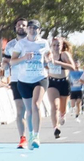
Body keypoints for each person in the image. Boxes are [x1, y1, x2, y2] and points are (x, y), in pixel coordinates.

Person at [3, 18, 49, 150]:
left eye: (35, 28)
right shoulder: (16, 44)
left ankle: (36, 135)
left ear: (39, 30)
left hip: (39, 77)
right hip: (20, 79)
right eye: (30, 27)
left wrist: (49, 58)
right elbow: (10, 61)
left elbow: (48, 53)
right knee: (24, 110)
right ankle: (25, 136)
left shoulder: (43, 43)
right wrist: (22, 59)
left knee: (36, 105)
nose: (32, 30)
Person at [46, 35, 73, 139]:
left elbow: (73, 67)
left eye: (58, 45)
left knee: (62, 109)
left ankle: (62, 115)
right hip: (52, 82)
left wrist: (58, 63)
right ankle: (56, 127)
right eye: (54, 45)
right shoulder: (48, 55)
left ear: (62, 46)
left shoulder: (65, 55)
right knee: (54, 106)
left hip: (64, 82)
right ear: (51, 46)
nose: (56, 47)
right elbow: (44, 65)